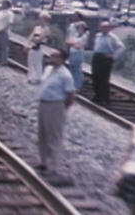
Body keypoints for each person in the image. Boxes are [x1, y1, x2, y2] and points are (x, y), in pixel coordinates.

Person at [35, 49, 76, 186]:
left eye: (55, 56)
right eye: (51, 55)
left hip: (56, 105)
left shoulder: (66, 75)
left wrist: (63, 108)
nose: (51, 58)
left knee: (54, 137)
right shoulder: (48, 69)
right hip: (43, 104)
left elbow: (71, 95)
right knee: (43, 134)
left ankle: (54, 168)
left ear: (62, 59)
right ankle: (44, 162)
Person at [92, 21, 125, 106]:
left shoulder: (112, 37)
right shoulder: (98, 36)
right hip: (97, 57)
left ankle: (104, 99)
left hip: (105, 59)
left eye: (106, 27)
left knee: (104, 79)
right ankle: (97, 96)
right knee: (95, 77)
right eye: (103, 27)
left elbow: (121, 47)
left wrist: (113, 56)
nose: (104, 29)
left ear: (109, 28)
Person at [25, 11, 51, 84]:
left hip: (40, 47)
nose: (40, 20)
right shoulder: (36, 28)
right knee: (30, 62)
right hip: (33, 46)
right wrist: (27, 44)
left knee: (38, 63)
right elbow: (31, 36)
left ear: (45, 20)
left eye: (41, 19)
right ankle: (30, 77)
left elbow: (40, 38)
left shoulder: (46, 29)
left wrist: (35, 39)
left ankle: (37, 78)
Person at [66, 21, 89, 89]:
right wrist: (74, 43)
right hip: (72, 53)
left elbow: (79, 46)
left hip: (78, 54)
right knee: (71, 69)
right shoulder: (75, 35)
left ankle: (77, 85)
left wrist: (73, 43)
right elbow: (68, 41)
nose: (79, 29)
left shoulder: (85, 36)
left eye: (80, 28)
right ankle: (72, 84)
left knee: (77, 70)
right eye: (78, 28)